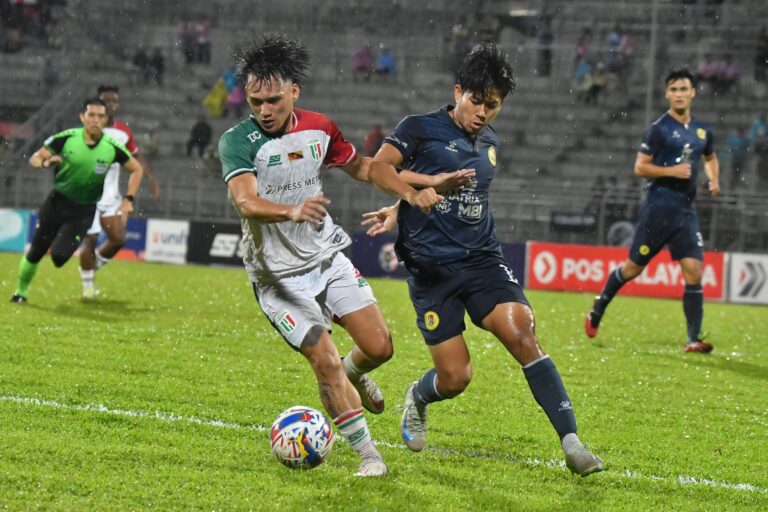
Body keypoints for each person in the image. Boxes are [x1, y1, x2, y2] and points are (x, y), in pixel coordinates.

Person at [361, 42, 605, 477]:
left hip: (482, 259)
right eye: (475, 100)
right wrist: (409, 197)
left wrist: (405, 204)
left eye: (492, 105)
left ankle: (573, 443)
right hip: (432, 271)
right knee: (456, 378)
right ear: (457, 92)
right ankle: (419, 395)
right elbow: (378, 168)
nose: (482, 112)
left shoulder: (490, 142)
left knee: (522, 331)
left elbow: (462, 195)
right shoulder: (418, 128)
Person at [218, 34, 442, 477]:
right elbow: (245, 201)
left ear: (294, 92)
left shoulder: (320, 128)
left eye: (274, 100)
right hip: (278, 278)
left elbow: (365, 167)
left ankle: (350, 372)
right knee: (323, 360)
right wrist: (291, 210)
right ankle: (369, 456)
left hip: (326, 257)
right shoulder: (237, 141)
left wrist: (409, 192)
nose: (264, 110)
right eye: (256, 101)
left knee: (379, 347)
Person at [585, 68, 720, 353]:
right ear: (667, 94)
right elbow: (640, 167)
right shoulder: (659, 129)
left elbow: (710, 156)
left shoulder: (702, 131)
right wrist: (672, 171)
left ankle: (693, 339)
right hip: (658, 209)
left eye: (684, 89)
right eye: (674, 89)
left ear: (693, 93)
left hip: (686, 212)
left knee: (694, 271)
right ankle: (598, 308)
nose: (679, 94)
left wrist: (714, 179)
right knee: (632, 269)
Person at [10, 98, 143, 304]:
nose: (96, 120)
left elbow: (137, 169)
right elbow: (35, 158)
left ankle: (63, 244)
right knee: (36, 250)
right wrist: (45, 162)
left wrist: (129, 199)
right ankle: (20, 292)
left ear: (106, 120)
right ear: (82, 117)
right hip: (56, 203)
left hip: (83, 211)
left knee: (59, 257)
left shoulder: (112, 147)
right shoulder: (67, 138)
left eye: (101, 116)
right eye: (91, 115)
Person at [78, 85, 160, 300]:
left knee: (118, 239)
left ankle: (90, 267)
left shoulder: (123, 132)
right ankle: (87, 285)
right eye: (106, 100)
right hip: (86, 195)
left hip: (110, 196)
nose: (111, 104)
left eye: (114, 101)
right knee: (90, 239)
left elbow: (136, 159)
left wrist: (152, 179)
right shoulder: (87, 130)